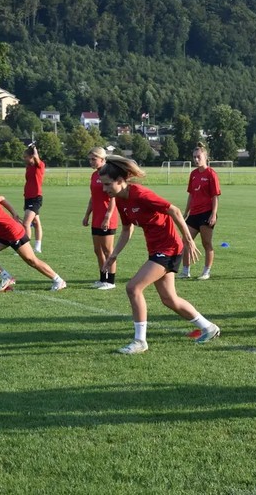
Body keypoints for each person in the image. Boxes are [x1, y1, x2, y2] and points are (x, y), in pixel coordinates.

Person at [99, 155, 220, 354]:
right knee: (169, 299)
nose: (105, 189)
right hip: (156, 249)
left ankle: (140, 341)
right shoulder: (120, 199)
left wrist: (188, 239)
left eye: (107, 184)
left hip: (169, 248)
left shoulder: (140, 194)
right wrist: (114, 255)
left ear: (120, 180)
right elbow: (127, 229)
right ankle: (208, 327)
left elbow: (174, 210)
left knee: (133, 288)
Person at [178, 142, 221, 280]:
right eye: (194, 157)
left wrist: (213, 214)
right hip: (193, 214)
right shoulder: (193, 174)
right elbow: (191, 195)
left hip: (206, 213)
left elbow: (215, 196)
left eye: (198, 157)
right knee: (185, 241)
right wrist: (186, 212)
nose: (196, 159)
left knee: (206, 243)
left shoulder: (211, 174)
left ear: (205, 157)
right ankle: (185, 271)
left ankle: (206, 272)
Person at [82, 147, 118, 290]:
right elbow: (93, 197)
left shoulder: (109, 174)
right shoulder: (94, 175)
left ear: (102, 159)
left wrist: (107, 217)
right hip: (96, 217)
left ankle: (111, 281)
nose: (91, 162)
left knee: (108, 251)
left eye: (94, 159)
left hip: (107, 217)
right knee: (98, 250)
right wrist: (87, 215)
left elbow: (113, 197)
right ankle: (103, 279)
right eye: (90, 159)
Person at [22, 144, 46, 253]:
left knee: (26, 223)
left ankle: (26, 249)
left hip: (35, 198)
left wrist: (34, 149)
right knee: (36, 223)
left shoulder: (39, 165)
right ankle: (37, 248)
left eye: (26, 157)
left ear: (32, 156)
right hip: (28, 198)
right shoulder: (28, 167)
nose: (24, 159)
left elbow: (37, 157)